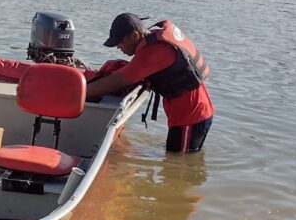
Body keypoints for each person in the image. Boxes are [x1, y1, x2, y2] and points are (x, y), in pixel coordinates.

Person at [86, 13, 214, 153]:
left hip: (191, 117)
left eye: (120, 42)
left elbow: (113, 83)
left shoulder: (153, 52)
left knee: (180, 164)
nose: (118, 47)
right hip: (193, 112)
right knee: (173, 161)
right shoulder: (155, 38)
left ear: (135, 36)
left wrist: (78, 94)